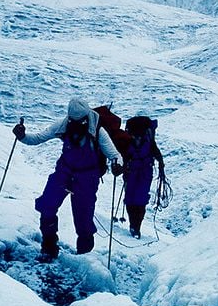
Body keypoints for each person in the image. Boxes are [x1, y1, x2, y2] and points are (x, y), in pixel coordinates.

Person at [13, 98, 125, 259]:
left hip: (87, 177)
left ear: (86, 117)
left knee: (83, 219)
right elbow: (37, 138)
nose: (77, 123)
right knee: (47, 205)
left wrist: (117, 164)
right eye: (74, 120)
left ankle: (83, 257)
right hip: (64, 172)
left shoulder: (98, 129)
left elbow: (114, 154)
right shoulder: (64, 124)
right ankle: (49, 246)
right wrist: (22, 136)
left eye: (80, 121)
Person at [121, 115, 164, 239]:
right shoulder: (146, 140)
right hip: (139, 171)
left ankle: (135, 226)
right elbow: (155, 151)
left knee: (137, 198)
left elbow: (124, 155)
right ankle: (134, 226)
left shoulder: (139, 140)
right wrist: (161, 163)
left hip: (140, 171)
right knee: (133, 198)